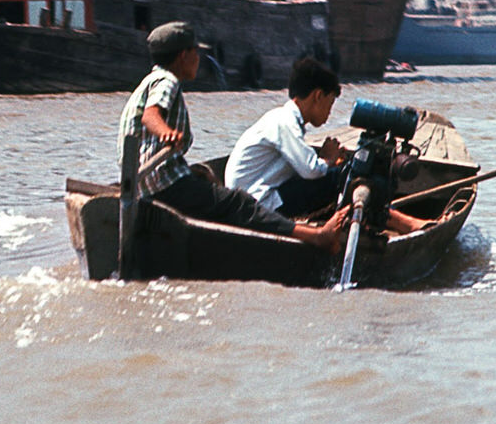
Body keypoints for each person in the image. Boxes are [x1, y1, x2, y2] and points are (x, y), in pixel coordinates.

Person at [117, 22, 347, 252]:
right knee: (239, 203)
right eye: (196, 53)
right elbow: (151, 115)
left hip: (145, 184)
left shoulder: (146, 82)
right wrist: (164, 131)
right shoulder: (168, 81)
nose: (198, 58)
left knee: (210, 186)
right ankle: (316, 235)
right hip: (163, 183)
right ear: (183, 56)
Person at [224, 56, 427, 234]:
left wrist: (328, 161)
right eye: (330, 104)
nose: (329, 113)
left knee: (341, 173)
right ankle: (403, 223)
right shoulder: (284, 122)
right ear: (318, 96)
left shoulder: (282, 120)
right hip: (256, 205)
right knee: (347, 176)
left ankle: (369, 219)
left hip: (256, 198)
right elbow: (311, 170)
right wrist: (328, 159)